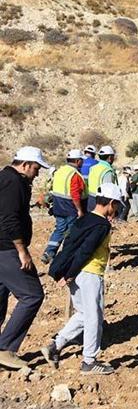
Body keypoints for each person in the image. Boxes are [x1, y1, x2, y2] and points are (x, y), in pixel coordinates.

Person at [44, 183, 123, 375]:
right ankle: (89, 361)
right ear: (111, 203)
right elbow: (85, 251)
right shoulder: (102, 225)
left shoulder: (84, 219)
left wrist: (67, 273)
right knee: (94, 317)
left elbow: (70, 246)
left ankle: (56, 344)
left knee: (82, 313)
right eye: (117, 206)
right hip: (89, 274)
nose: (118, 210)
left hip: (76, 274)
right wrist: (69, 274)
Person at [0, 146, 49, 369]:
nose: (37, 173)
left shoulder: (5, 177)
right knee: (32, 295)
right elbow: (9, 219)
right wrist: (22, 250)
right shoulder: (13, 182)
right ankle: (5, 349)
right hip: (7, 249)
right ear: (26, 164)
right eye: (37, 168)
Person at [42, 150, 86, 264]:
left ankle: (49, 253)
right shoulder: (74, 174)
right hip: (70, 207)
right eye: (82, 160)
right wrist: (80, 210)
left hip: (57, 206)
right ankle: (66, 256)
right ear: (77, 161)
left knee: (60, 229)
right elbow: (75, 194)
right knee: (71, 232)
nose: (82, 162)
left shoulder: (60, 171)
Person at [86, 146, 117, 212]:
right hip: (100, 201)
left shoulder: (93, 168)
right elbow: (108, 191)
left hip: (90, 198)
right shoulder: (107, 171)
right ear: (110, 157)